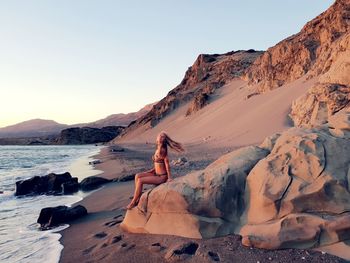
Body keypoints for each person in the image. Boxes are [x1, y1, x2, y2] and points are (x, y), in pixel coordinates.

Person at [126, 131, 184, 209]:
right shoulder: (158, 148)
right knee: (137, 176)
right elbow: (158, 164)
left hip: (161, 177)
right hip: (155, 173)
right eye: (160, 135)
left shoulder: (163, 150)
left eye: (162, 136)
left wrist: (169, 177)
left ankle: (133, 202)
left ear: (164, 140)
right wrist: (150, 171)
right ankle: (137, 196)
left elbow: (167, 164)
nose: (160, 136)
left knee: (140, 180)